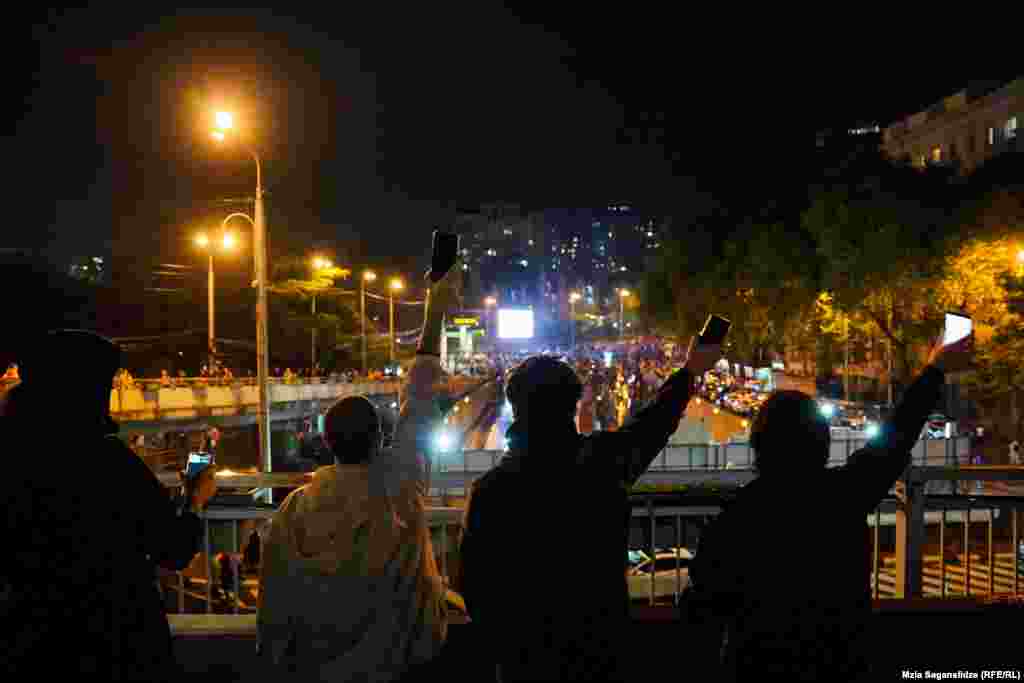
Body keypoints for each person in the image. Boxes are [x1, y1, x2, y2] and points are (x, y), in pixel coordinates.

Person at [686, 331, 974, 681]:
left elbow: (700, 610)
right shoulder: (843, 495)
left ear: (759, 446)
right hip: (840, 665)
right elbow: (898, 434)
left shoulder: (733, 521)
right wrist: (935, 368)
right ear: (822, 444)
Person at [458, 335, 722, 681]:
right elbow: (656, 421)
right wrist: (691, 370)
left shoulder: (490, 492)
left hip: (526, 663)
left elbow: (475, 587)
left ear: (517, 408)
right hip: (601, 652)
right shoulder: (603, 463)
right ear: (574, 404)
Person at [258, 268, 458, 682]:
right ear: (381, 438)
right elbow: (419, 395)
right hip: (403, 664)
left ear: (328, 444)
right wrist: (435, 306)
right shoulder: (400, 483)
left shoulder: (296, 510)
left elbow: (274, 599)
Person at [1, 330, 217, 680]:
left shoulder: (11, 457)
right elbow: (173, 549)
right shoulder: (107, 462)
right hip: (116, 637)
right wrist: (194, 501)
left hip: (31, 642)